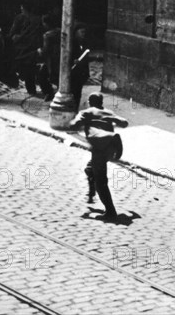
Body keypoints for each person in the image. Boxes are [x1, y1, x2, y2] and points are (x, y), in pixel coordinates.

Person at [70, 92, 128, 220]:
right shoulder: (108, 112)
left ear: (90, 102)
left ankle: (110, 211)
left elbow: (74, 125)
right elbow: (124, 123)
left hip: (99, 150)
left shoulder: (87, 112)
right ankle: (92, 190)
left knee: (101, 182)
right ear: (101, 103)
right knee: (90, 169)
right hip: (110, 149)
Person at [9, 1, 42, 95]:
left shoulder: (19, 18)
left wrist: (15, 38)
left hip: (21, 48)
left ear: (23, 8)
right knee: (30, 70)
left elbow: (12, 32)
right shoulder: (37, 20)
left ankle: (28, 86)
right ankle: (31, 89)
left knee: (22, 68)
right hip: (31, 49)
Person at [36, 13, 61, 102]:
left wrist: (40, 51)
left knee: (41, 76)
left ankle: (49, 93)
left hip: (51, 61)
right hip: (60, 59)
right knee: (58, 78)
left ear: (46, 24)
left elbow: (46, 51)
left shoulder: (47, 35)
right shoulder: (60, 31)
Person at [71, 23, 90, 111]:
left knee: (78, 93)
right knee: (73, 93)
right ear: (76, 32)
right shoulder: (71, 44)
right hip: (72, 74)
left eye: (84, 32)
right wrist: (72, 61)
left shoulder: (84, 43)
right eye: (81, 32)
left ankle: (75, 109)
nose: (83, 34)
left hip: (80, 74)